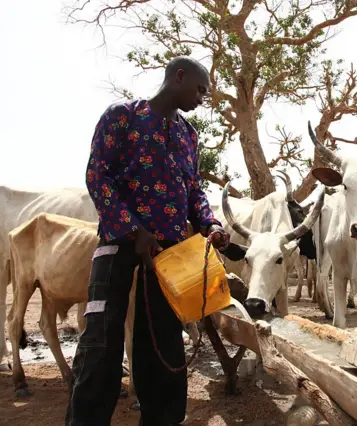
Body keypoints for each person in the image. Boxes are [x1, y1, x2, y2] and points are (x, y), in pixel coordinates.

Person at [65, 56, 233, 426]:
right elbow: (98, 177)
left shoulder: (188, 135)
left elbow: (193, 192)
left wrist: (210, 225)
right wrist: (133, 229)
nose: (203, 98)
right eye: (201, 89)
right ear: (179, 76)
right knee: (101, 343)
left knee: (164, 346)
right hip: (118, 245)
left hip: (170, 258)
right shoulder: (121, 116)